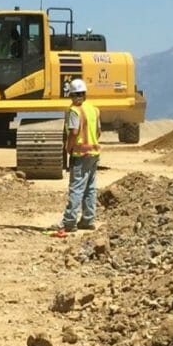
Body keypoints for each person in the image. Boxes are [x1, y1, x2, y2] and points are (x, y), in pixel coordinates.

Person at [60, 76, 101, 231]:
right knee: (90, 187)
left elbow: (73, 132)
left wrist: (68, 148)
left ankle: (70, 222)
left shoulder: (74, 111)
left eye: (77, 94)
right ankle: (88, 220)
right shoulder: (94, 110)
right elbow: (98, 132)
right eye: (76, 95)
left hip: (80, 154)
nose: (77, 97)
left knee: (77, 188)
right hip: (94, 153)